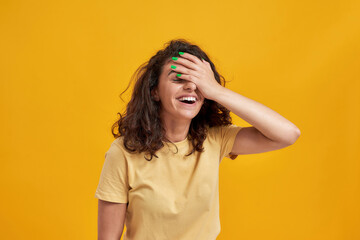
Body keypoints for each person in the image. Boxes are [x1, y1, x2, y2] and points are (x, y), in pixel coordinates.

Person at [95, 39, 301, 240]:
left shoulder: (215, 139)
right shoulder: (123, 152)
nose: (191, 87)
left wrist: (216, 90)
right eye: (178, 79)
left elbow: (288, 134)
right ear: (154, 91)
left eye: (198, 82)